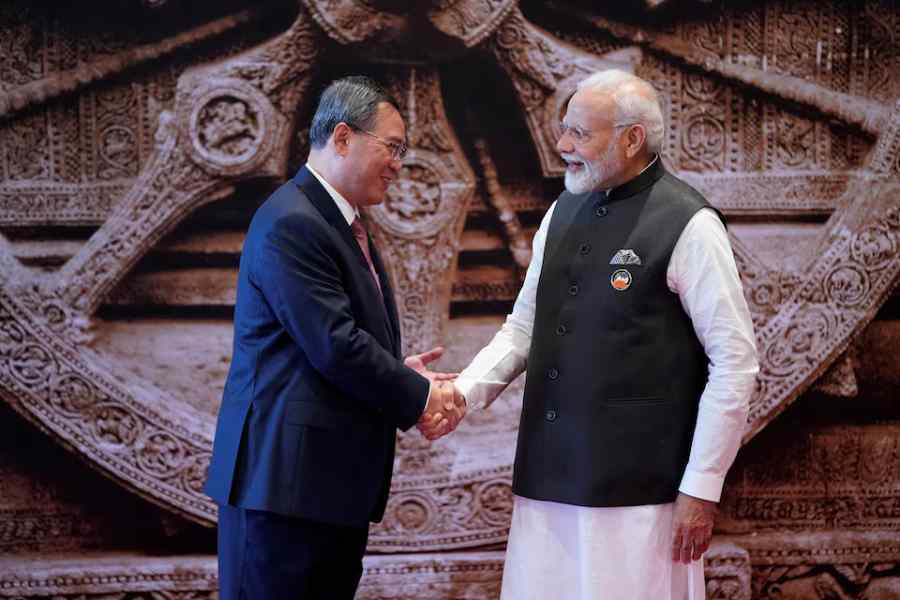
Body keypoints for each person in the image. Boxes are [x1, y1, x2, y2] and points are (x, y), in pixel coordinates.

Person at [451, 69, 759, 599]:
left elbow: (735, 363)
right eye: (564, 129)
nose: (563, 145)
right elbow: (523, 328)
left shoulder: (690, 223)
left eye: (580, 134)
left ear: (631, 139)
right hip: (547, 484)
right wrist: (459, 394)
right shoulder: (561, 209)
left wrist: (701, 488)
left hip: (639, 497)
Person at [203, 76, 465, 600]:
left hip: (324, 489)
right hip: (283, 490)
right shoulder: (293, 221)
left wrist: (400, 370)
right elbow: (335, 345)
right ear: (343, 137)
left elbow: (331, 343)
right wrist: (419, 396)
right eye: (392, 147)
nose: (398, 164)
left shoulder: (338, 221)